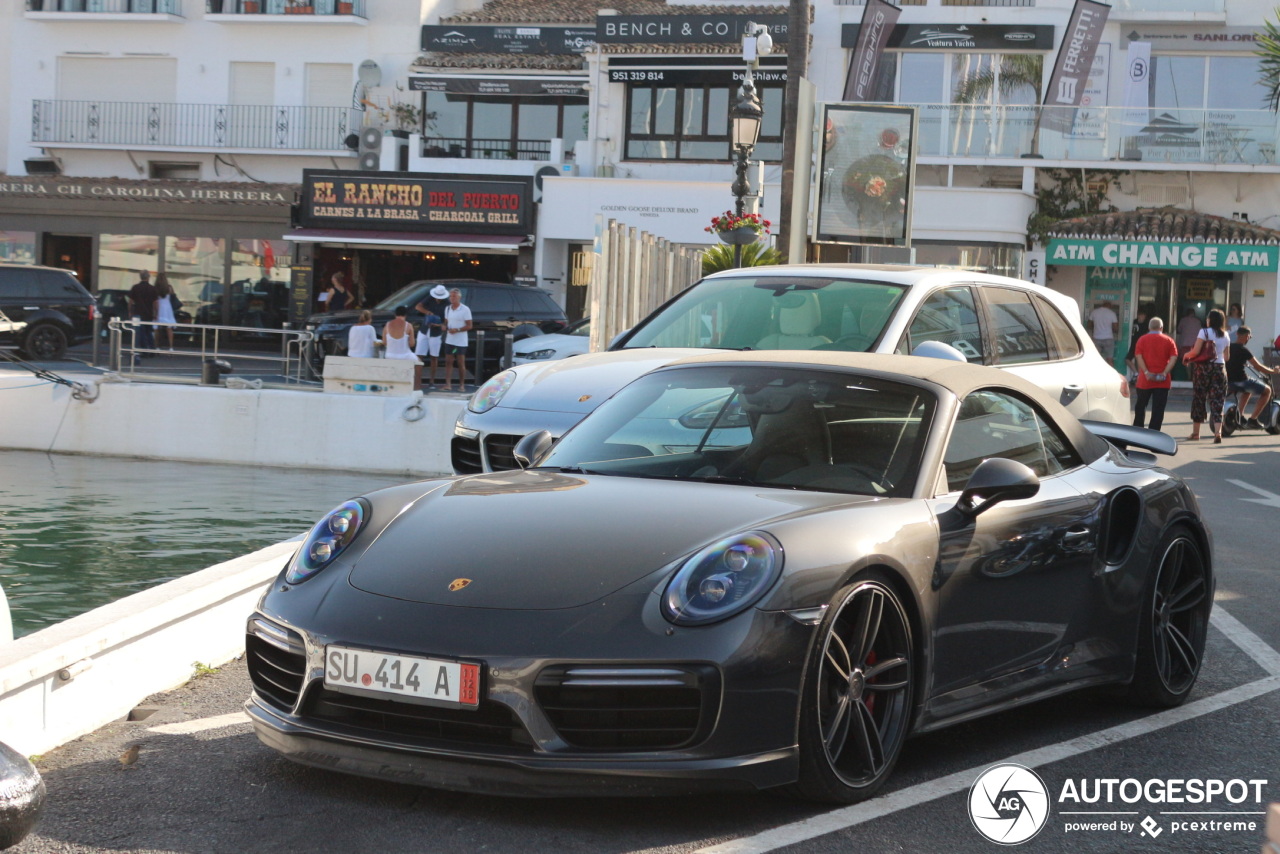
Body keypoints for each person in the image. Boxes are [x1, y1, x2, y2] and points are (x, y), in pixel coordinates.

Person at [1183, 308, 1231, 443]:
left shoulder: (1204, 332)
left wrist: (1186, 356)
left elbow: (1196, 351)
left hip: (1203, 368)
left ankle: (1196, 433)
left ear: (1210, 320)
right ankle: (1218, 432)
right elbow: (1227, 357)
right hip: (1220, 369)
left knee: (1199, 398)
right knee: (1218, 400)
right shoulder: (1226, 335)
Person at [1226, 325, 1280, 429]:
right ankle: (1253, 419)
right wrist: (1274, 371)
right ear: (1247, 336)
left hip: (1229, 381)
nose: (1248, 339)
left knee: (1247, 391)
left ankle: (1240, 416)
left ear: (1237, 334)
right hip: (1241, 381)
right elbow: (1258, 366)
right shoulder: (1244, 350)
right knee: (1267, 390)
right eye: (1249, 337)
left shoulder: (1229, 347)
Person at [1132, 317, 1178, 432]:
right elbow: (1174, 357)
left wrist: (1146, 372)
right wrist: (1165, 372)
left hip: (1145, 380)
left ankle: (1138, 431)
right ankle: (1154, 433)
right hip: (1163, 381)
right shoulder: (1169, 340)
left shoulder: (1142, 339)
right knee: (1158, 409)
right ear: (1161, 328)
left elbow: (1138, 356)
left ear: (1149, 327)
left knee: (1140, 407)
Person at [413, 284, 449, 388]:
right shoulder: (430, 298)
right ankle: (417, 380)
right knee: (419, 355)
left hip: (436, 332)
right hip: (425, 330)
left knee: (434, 356)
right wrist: (427, 312)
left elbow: (446, 321)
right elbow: (418, 306)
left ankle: (431, 381)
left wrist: (440, 324)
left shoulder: (447, 304)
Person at [441, 287, 473, 392]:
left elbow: (469, 326)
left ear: (459, 297)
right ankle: (448, 384)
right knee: (448, 361)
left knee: (460, 362)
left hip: (460, 341)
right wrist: (444, 326)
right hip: (450, 339)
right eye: (450, 296)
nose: (452, 298)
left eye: (454, 296)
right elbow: (446, 321)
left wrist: (458, 329)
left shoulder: (465, 309)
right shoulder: (448, 308)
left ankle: (462, 385)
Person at [128, 270, 158, 352]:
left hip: (137, 313)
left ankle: (143, 350)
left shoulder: (135, 287)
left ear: (140, 277)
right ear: (148, 277)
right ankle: (152, 349)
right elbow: (155, 303)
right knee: (149, 332)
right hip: (148, 313)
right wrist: (156, 313)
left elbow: (130, 301)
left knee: (140, 333)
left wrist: (130, 312)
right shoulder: (152, 289)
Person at [152, 273, 179, 351]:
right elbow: (173, 297)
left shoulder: (155, 288)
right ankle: (171, 347)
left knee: (157, 328)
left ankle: (157, 346)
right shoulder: (169, 288)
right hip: (167, 308)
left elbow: (154, 300)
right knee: (169, 328)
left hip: (159, 307)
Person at [1124, 305, 1149, 383]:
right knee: (1127, 359)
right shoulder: (1134, 321)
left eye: (1143, 316)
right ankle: (1136, 373)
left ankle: (1140, 378)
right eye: (1140, 315)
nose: (1141, 317)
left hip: (1142, 344)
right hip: (1133, 344)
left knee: (1139, 361)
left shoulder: (1146, 324)